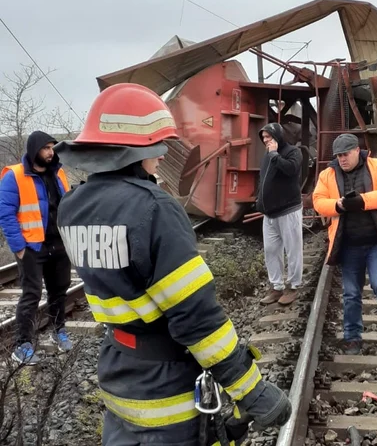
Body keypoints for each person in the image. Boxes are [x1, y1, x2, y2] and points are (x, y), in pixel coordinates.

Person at [53, 83, 291, 446]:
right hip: (165, 387)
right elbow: (196, 318)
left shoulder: (72, 207)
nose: (162, 155)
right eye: (157, 145)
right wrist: (251, 390)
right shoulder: (153, 208)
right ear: (133, 149)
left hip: (118, 373)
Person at [312, 133, 377, 355]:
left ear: (357, 150)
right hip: (348, 245)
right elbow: (318, 201)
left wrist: (363, 201)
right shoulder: (328, 175)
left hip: (376, 243)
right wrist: (338, 205)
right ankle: (352, 337)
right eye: (338, 156)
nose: (342, 159)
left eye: (346, 154)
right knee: (351, 293)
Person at [0, 131, 73, 365]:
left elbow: (69, 204)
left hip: (58, 244)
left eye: (52, 147)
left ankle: (58, 330)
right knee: (31, 295)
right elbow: (6, 214)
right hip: (32, 246)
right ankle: (22, 345)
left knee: (59, 290)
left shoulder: (59, 172)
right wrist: (19, 247)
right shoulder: (15, 176)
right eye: (46, 148)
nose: (51, 152)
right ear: (34, 151)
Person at [256, 122, 304, 306]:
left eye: (269, 136)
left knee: (293, 249)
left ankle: (293, 286)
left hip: (288, 210)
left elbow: (291, 170)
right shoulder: (267, 155)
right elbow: (264, 178)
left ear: (278, 136)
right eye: (264, 138)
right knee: (270, 250)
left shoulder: (293, 152)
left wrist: (275, 155)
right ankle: (276, 287)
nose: (266, 140)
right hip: (269, 214)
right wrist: (259, 199)